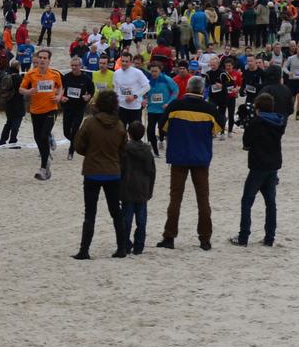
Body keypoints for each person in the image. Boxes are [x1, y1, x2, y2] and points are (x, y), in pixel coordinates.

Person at [157, 76, 221, 250]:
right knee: (203, 199)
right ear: (202, 90)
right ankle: (205, 239)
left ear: (187, 88)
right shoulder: (210, 109)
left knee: (175, 198)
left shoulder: (174, 107)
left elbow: (162, 127)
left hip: (178, 157)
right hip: (201, 158)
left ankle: (169, 237)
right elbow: (218, 128)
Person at [71, 89, 128, 259]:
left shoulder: (90, 122)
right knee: (116, 211)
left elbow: (78, 145)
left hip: (92, 171)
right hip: (113, 172)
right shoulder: (119, 125)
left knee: (90, 212)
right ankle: (122, 248)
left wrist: (90, 153)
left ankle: (84, 250)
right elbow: (123, 149)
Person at [231, 93, 286, 247]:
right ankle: (269, 237)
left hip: (258, 165)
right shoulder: (279, 122)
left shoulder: (256, 123)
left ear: (257, 108)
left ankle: (243, 236)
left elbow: (246, 143)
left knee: (247, 201)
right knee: (271, 203)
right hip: (273, 165)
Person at [20, 49, 63, 180]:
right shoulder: (31, 74)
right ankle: (46, 160)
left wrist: (59, 97)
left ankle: (43, 168)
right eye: (40, 58)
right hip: (35, 111)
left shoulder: (55, 74)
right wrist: (28, 92)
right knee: (38, 138)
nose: (42, 60)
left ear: (49, 60)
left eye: (45, 58)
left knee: (44, 136)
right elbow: (21, 89)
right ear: (37, 60)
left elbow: (60, 87)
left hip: (51, 109)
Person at [120, 120, 155, 255]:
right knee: (141, 220)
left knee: (126, 219)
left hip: (127, 187)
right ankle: (139, 245)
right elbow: (151, 171)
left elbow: (121, 169)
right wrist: (150, 189)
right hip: (142, 187)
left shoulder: (125, 150)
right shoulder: (147, 151)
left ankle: (125, 244)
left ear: (129, 134)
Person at [60, 52, 93, 161]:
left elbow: (91, 91)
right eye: (72, 65)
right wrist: (62, 97)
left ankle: (71, 151)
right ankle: (80, 142)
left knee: (74, 130)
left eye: (76, 65)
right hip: (68, 107)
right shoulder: (66, 77)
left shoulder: (86, 78)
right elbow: (60, 90)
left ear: (80, 66)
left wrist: (88, 97)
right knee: (66, 132)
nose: (74, 67)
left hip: (79, 108)